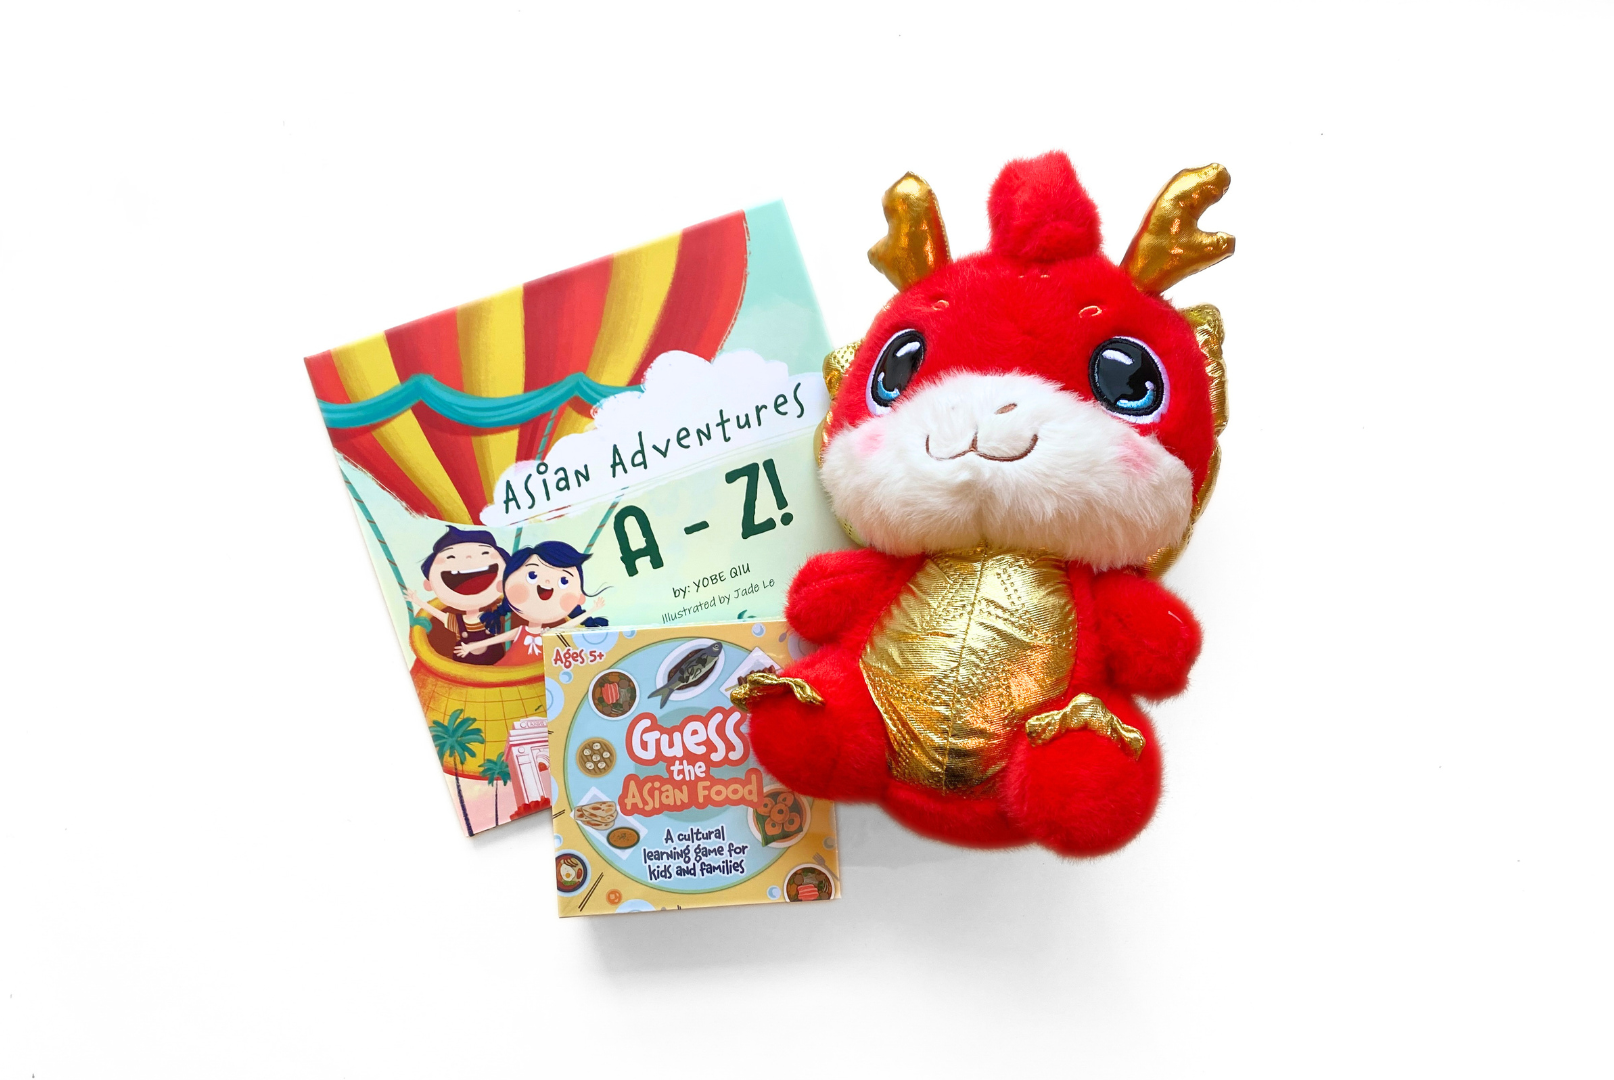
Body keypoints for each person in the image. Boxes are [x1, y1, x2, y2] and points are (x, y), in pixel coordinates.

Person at [455, 541, 607, 665]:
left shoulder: (549, 633)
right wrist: (470, 647)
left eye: (564, 581)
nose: (547, 583)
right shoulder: (521, 631)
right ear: (505, 587)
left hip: (537, 678)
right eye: (532, 575)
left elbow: (570, 625)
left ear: (580, 597)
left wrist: (592, 610)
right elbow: (496, 639)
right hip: (509, 673)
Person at [408, 527, 510, 665]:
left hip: (497, 667)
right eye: (451, 557)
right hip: (463, 670)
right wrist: (417, 601)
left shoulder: (494, 613)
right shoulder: (457, 622)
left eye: (484, 552)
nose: (468, 558)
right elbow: (437, 614)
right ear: (429, 584)